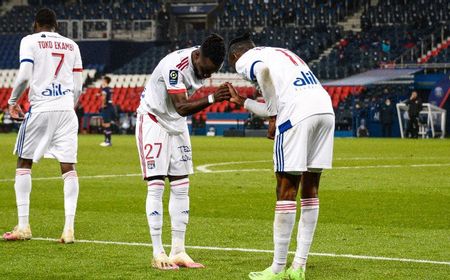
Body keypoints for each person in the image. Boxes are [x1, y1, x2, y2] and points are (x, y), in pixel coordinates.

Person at [226, 34, 335, 280]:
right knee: (311, 189)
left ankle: (276, 269)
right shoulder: (281, 53)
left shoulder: (248, 58)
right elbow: (274, 98)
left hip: (296, 114)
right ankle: (298, 267)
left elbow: (262, 73)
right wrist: (243, 101)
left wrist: (274, 116)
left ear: (235, 57)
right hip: (324, 110)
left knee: (285, 189)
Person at [135, 34, 230, 270]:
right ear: (197, 56)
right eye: (205, 69)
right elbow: (181, 107)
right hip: (154, 120)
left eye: (212, 72)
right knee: (156, 185)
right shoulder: (175, 67)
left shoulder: (203, 62)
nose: (206, 75)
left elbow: (179, 112)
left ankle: (179, 250)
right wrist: (212, 97)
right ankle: (158, 253)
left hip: (176, 124)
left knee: (181, 186)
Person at [3, 8, 83, 243]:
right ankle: (69, 229)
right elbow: (78, 86)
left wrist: (13, 100)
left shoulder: (29, 41)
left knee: (24, 161)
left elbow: (25, 75)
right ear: (56, 25)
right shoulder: (72, 45)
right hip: (67, 110)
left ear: (36, 24)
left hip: (41, 108)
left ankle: (24, 226)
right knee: (68, 167)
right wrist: (70, 105)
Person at [99, 76, 114, 146]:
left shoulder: (104, 89)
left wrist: (103, 104)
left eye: (103, 80)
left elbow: (104, 97)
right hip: (110, 107)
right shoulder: (110, 89)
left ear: (105, 81)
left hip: (106, 107)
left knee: (106, 124)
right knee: (105, 124)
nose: (102, 81)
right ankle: (106, 140)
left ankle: (108, 141)